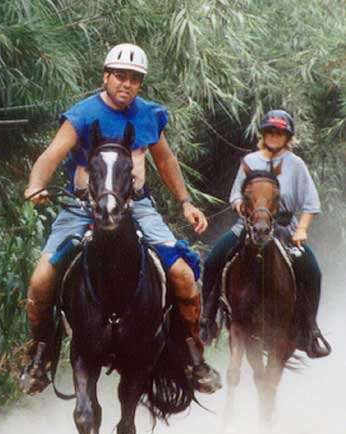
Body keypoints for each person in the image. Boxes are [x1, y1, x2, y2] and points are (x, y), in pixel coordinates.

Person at [20, 43, 222, 394]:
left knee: (183, 277)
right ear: (106, 76)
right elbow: (51, 155)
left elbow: (166, 161)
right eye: (120, 77)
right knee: (40, 282)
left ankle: (193, 355)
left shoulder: (148, 115)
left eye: (134, 79)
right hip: (82, 209)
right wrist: (35, 185)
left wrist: (186, 202)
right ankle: (40, 353)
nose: (126, 85)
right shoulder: (82, 115)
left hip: (137, 206)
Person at [200, 109, 331, 358]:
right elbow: (236, 196)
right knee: (215, 257)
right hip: (249, 226)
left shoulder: (296, 165)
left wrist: (302, 228)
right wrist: (242, 207)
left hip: (284, 229)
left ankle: (311, 328)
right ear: (263, 133)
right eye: (270, 131)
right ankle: (208, 317)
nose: (274, 135)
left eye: (280, 132)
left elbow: (311, 204)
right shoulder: (249, 161)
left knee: (312, 269)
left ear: (287, 136)